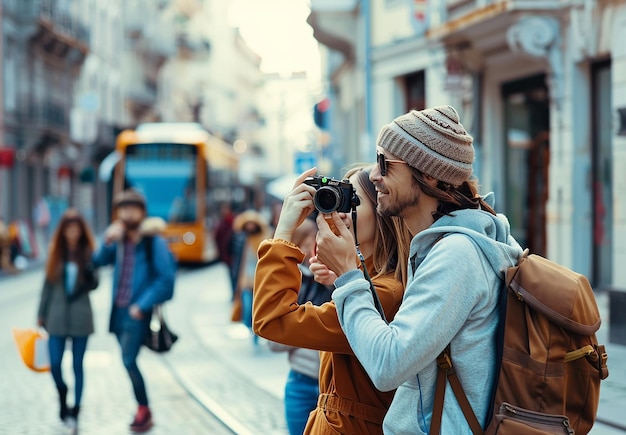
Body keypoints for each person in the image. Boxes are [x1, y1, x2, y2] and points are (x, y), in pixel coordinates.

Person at [314, 105, 524, 434]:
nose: (373, 176)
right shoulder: (449, 246)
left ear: (428, 174)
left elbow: (387, 365)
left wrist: (348, 276)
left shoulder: (457, 255)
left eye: (385, 164)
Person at [253, 164, 411, 434]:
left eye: (353, 201)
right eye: (340, 197)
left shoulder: (384, 294)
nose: (340, 212)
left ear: (382, 211)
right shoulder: (373, 285)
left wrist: (284, 233)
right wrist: (342, 276)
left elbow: (272, 318)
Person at [92, 189, 175, 433]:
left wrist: (142, 305)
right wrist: (107, 240)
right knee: (127, 360)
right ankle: (143, 408)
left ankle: (143, 409)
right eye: (122, 208)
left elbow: (166, 279)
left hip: (136, 313)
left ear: (142, 212)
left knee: (128, 359)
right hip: (117, 312)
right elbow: (96, 262)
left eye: (132, 208)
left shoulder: (153, 241)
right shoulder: (118, 240)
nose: (127, 213)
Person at [266, 217, 333, 435]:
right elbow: (274, 341)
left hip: (335, 385)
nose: (312, 248)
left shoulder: (339, 276)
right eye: (307, 242)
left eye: (316, 240)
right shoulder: (295, 284)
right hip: (302, 380)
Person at [37, 209, 99, 430]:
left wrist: (91, 272)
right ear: (62, 231)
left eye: (76, 228)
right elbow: (47, 286)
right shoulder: (56, 253)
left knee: (77, 365)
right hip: (56, 316)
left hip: (81, 316)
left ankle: (76, 407)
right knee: (54, 364)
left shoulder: (89, 252)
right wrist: (41, 313)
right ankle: (63, 393)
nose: (72, 233)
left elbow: (95, 284)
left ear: (81, 231)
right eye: (68, 229)